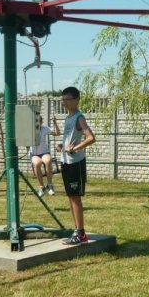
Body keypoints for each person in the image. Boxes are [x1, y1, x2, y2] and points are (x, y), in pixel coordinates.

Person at [57, 86, 96, 246]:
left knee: (75, 198)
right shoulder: (68, 118)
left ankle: (81, 234)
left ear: (77, 100)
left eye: (68, 99)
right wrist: (63, 147)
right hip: (66, 162)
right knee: (71, 197)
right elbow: (70, 140)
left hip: (75, 163)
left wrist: (74, 148)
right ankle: (76, 230)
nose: (64, 102)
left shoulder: (79, 118)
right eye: (63, 99)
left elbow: (91, 138)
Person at [30, 114, 60, 197]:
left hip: (44, 152)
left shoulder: (44, 128)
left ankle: (50, 185)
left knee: (48, 160)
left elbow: (57, 133)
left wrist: (55, 123)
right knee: (37, 163)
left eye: (39, 122)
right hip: (34, 154)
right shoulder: (30, 130)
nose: (37, 124)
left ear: (41, 122)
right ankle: (41, 186)